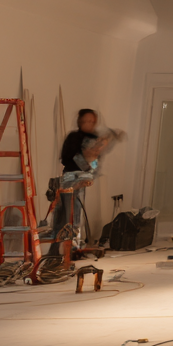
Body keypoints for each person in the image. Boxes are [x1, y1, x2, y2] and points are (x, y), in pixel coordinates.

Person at [50, 109, 118, 259]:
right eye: (86, 121)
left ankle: (74, 250)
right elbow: (67, 159)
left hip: (83, 179)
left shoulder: (94, 138)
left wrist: (94, 155)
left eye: (91, 121)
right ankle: (55, 250)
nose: (89, 124)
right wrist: (85, 157)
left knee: (75, 216)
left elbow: (94, 164)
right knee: (63, 214)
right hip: (69, 178)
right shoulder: (74, 137)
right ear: (80, 122)